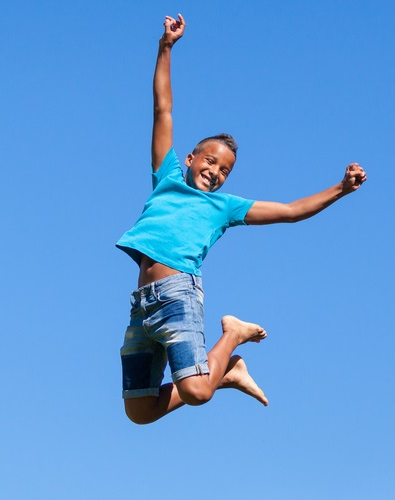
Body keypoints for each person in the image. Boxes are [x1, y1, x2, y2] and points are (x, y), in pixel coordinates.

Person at [118, 14, 367, 425]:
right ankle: (227, 373)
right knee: (140, 412)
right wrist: (165, 48)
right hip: (141, 307)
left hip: (178, 294)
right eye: (211, 161)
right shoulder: (165, 178)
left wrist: (339, 188)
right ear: (191, 158)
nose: (215, 171)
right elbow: (163, 109)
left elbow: (288, 212)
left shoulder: (224, 207)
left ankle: (231, 336)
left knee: (197, 391)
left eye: (225, 170)